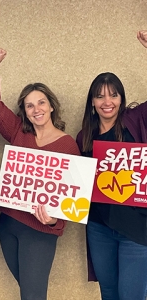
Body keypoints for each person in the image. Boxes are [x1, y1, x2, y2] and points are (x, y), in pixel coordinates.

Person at [0, 48, 80, 300]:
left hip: (40, 231)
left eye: (41, 102)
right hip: (9, 224)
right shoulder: (19, 133)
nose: (36, 109)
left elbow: (72, 197)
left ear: (51, 106)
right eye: (29, 106)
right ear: (24, 112)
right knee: (28, 292)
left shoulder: (68, 145)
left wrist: (55, 222)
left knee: (33, 295)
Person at [76, 30, 147, 300]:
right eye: (100, 96)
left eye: (114, 95)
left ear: (121, 98)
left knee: (132, 296)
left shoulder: (136, 119)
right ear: (92, 102)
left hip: (136, 227)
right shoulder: (85, 137)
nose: (108, 102)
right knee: (109, 293)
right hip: (99, 226)